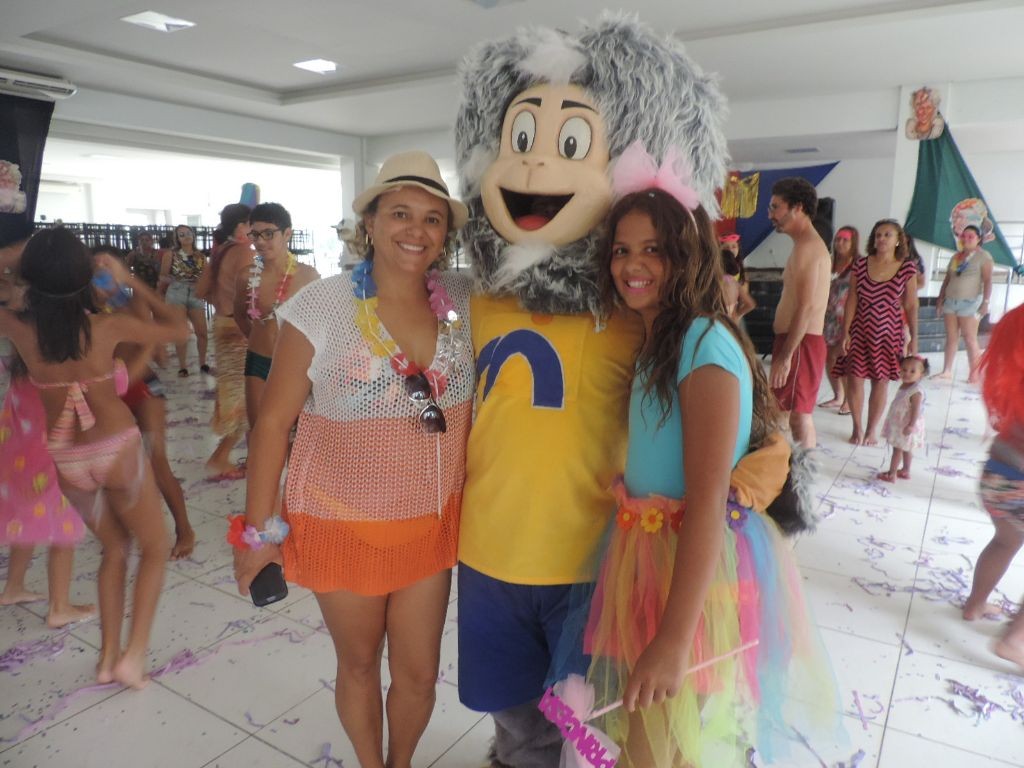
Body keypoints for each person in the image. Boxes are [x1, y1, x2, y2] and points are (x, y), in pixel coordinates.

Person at [583, 184, 839, 767]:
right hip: (650, 554)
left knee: (653, 745)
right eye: (622, 250)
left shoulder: (703, 345)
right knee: (655, 739)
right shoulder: (662, 337)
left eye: (653, 249)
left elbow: (706, 502)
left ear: (689, 255)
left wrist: (674, 639)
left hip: (688, 566)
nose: (632, 265)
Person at [233, 152, 474, 768]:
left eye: (432, 219)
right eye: (399, 213)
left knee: (419, 675)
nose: (416, 230)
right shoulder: (321, 307)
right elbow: (272, 425)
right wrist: (259, 534)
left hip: (429, 524)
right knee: (360, 663)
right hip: (339, 522)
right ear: (369, 222)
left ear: (446, 233)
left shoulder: (461, 305)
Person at [0, 228, 187, 688]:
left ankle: (106, 659)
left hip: (67, 459)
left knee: (115, 547)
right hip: (116, 449)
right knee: (155, 547)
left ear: (30, 279)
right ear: (85, 277)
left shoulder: (19, 329)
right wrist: (129, 281)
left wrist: (20, 259)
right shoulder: (105, 327)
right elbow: (178, 327)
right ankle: (132, 655)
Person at [94, 245, 195, 559]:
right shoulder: (84, 305)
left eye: (108, 273)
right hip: (107, 393)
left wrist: (131, 283)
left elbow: (164, 330)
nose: (102, 281)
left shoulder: (132, 300)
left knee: (156, 460)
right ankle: (119, 532)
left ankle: (184, 528)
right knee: (108, 466)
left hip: (143, 389)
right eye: (95, 275)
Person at [962, 304, 1024, 671]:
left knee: (1004, 541)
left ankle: (975, 604)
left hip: (995, 476)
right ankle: (1015, 640)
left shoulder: (1016, 386)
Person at [233, 203, 319, 428]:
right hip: (258, 360)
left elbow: (321, 325)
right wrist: (257, 336)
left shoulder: (308, 276)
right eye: (255, 235)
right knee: (259, 428)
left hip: (295, 363)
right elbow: (240, 315)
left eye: (268, 234)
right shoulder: (246, 276)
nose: (260, 241)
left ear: (287, 234)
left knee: (298, 432)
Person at [834, 219, 919, 446]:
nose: (882, 239)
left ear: (898, 240)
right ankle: (857, 427)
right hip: (860, 329)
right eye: (878, 235)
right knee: (855, 379)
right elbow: (852, 298)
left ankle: (872, 430)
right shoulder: (861, 264)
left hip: (889, 334)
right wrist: (845, 331)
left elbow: (911, 305)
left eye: (887, 235)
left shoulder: (907, 267)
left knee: (880, 381)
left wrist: (914, 337)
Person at [767, 177, 831, 449]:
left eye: (776, 207)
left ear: (798, 208)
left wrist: (785, 356)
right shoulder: (804, 245)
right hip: (797, 342)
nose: (770, 215)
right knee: (784, 412)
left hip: (801, 344)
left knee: (795, 416)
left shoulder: (808, 248)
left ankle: (802, 470)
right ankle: (789, 467)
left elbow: (806, 307)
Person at [195, 205, 253, 479]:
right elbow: (252, 295)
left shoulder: (221, 252)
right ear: (241, 225)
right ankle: (220, 457)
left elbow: (200, 291)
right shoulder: (244, 252)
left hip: (221, 323)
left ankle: (251, 457)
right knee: (245, 394)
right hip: (239, 328)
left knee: (236, 391)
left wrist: (222, 300)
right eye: (252, 225)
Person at [933, 225, 993, 383]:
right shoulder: (956, 257)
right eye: (964, 236)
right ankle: (946, 371)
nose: (966, 239)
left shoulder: (984, 256)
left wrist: (986, 302)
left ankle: (974, 373)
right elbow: (948, 279)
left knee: (969, 337)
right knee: (951, 337)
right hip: (950, 301)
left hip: (970, 302)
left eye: (971, 236)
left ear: (979, 239)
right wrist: (940, 299)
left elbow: (988, 280)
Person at [819, 226, 859, 412]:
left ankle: (849, 400)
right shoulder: (829, 261)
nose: (840, 243)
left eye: (845, 240)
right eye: (838, 239)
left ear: (853, 243)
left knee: (843, 358)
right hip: (828, 318)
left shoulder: (858, 265)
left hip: (847, 319)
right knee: (829, 358)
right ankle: (838, 395)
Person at [160, 224, 209, 377]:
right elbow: (162, 275)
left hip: (195, 292)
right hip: (177, 291)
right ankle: (183, 366)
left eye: (188, 233)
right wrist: (173, 281)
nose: (186, 236)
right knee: (181, 332)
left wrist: (205, 289)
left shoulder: (201, 256)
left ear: (193, 235)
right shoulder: (171, 254)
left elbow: (206, 276)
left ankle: (203, 362)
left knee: (202, 332)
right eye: (182, 234)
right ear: (177, 239)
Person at [877, 355, 928, 483]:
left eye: (912, 371)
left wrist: (911, 425)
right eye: (904, 370)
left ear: (921, 374)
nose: (907, 374)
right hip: (900, 423)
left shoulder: (916, 392)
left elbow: (916, 410)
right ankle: (905, 470)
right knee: (906, 448)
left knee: (898, 449)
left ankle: (891, 474)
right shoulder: (905, 386)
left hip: (906, 425)